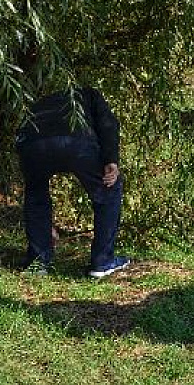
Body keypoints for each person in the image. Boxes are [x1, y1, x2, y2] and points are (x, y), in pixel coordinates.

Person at [15, 87, 129, 278]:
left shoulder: (41, 102)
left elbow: (22, 131)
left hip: (32, 145)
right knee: (108, 189)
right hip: (77, 141)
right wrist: (111, 161)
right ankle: (102, 262)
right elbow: (107, 124)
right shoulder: (89, 94)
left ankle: (38, 261)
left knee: (36, 196)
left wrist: (43, 229)